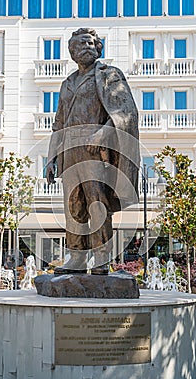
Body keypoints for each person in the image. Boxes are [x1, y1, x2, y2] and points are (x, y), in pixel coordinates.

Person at [46, 28, 139, 275]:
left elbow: (125, 112)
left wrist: (102, 134)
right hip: (69, 150)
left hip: (94, 150)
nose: (88, 47)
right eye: (82, 44)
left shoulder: (109, 75)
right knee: (73, 206)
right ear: (72, 52)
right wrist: (51, 158)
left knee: (97, 203)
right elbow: (59, 122)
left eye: (92, 43)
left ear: (98, 48)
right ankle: (76, 256)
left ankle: (101, 256)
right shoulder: (67, 83)